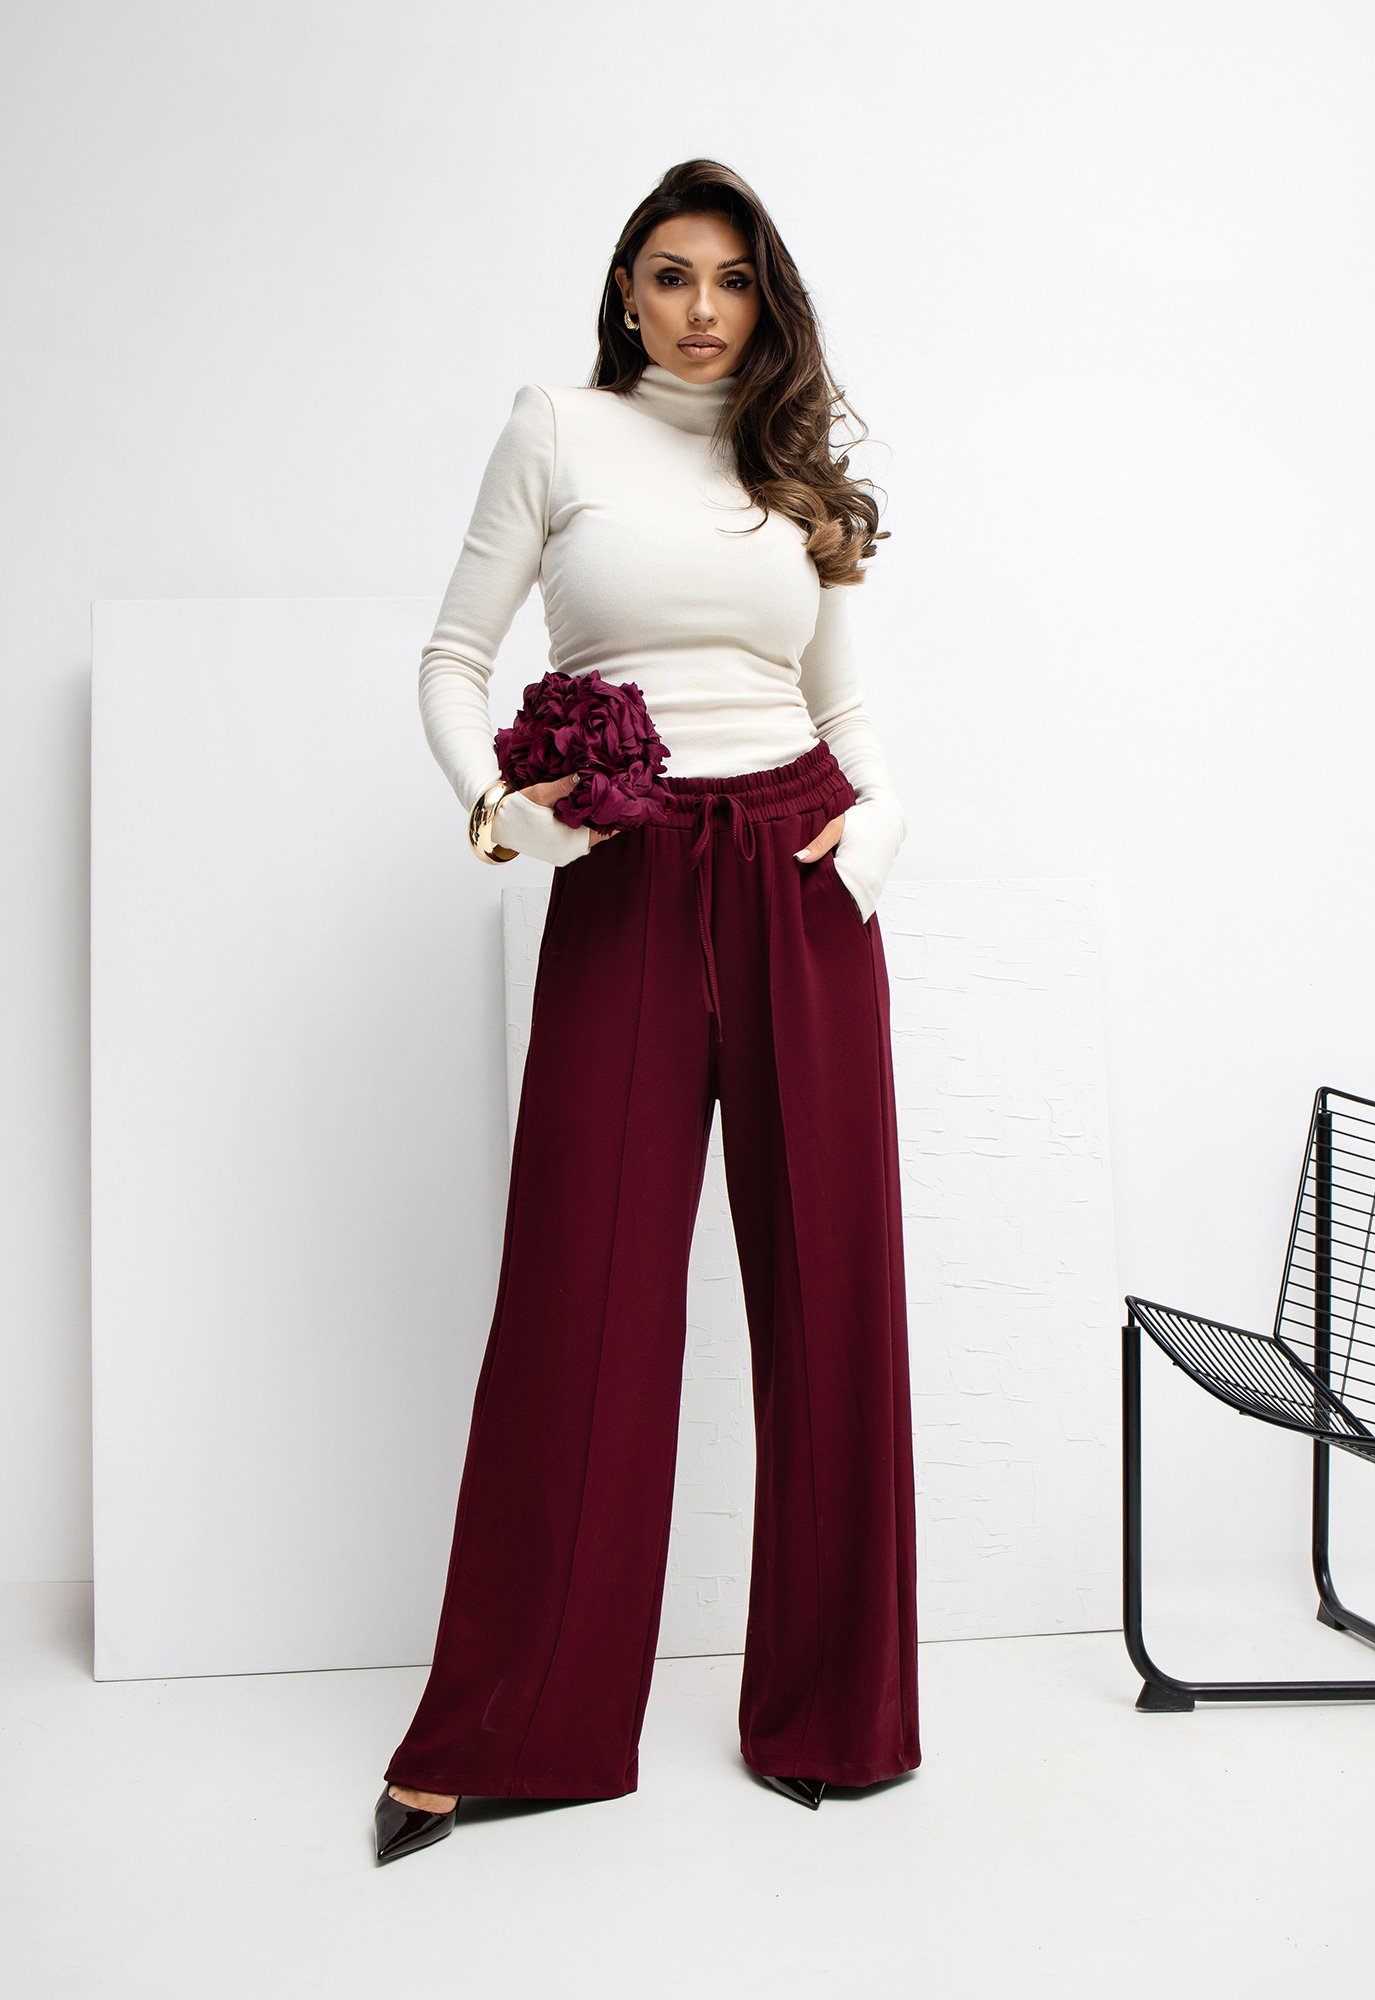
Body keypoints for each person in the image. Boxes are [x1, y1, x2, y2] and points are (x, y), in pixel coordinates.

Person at [375, 157, 920, 1865]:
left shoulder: (793, 470)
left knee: (830, 1285)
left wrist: (878, 831)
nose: (702, 310)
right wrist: (500, 813)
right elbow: (451, 658)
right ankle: (516, 1724)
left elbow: (845, 700)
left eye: (734, 281)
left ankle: (835, 1715)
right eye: (673, 275)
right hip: (626, 868)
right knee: (583, 1286)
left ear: (768, 302)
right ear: (626, 287)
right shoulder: (557, 430)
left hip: (798, 863)